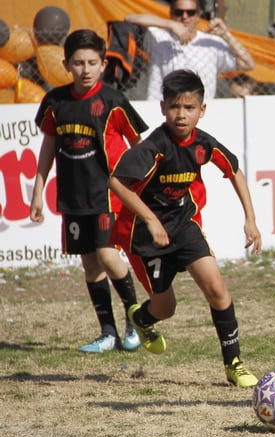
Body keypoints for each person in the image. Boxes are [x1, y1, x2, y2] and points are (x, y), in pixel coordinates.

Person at [108, 69, 262, 387]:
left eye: (189, 108)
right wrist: (150, 219)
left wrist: (250, 219)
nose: (181, 114)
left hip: (185, 226)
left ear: (201, 110)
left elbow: (233, 170)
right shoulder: (154, 146)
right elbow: (117, 182)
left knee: (217, 289)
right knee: (166, 308)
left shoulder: (203, 144)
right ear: (163, 107)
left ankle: (234, 364)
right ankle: (141, 318)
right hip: (147, 236)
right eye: (175, 107)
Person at [30, 29, 148, 354]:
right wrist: (38, 191)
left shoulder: (112, 101)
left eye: (92, 62)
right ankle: (107, 333)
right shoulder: (56, 102)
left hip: (108, 195)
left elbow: (140, 143)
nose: (85, 69)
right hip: (73, 195)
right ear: (66, 64)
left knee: (108, 256)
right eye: (78, 63)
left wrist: (137, 182)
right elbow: (49, 146)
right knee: (90, 264)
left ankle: (135, 320)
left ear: (103, 63)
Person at [125, 0, 255, 101]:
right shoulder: (158, 37)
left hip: (201, 111)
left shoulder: (210, 43)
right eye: (179, 12)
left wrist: (226, 35)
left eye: (190, 12)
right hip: (162, 108)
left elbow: (248, 64)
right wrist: (171, 24)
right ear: (171, 13)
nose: (184, 17)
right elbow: (129, 18)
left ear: (198, 16)